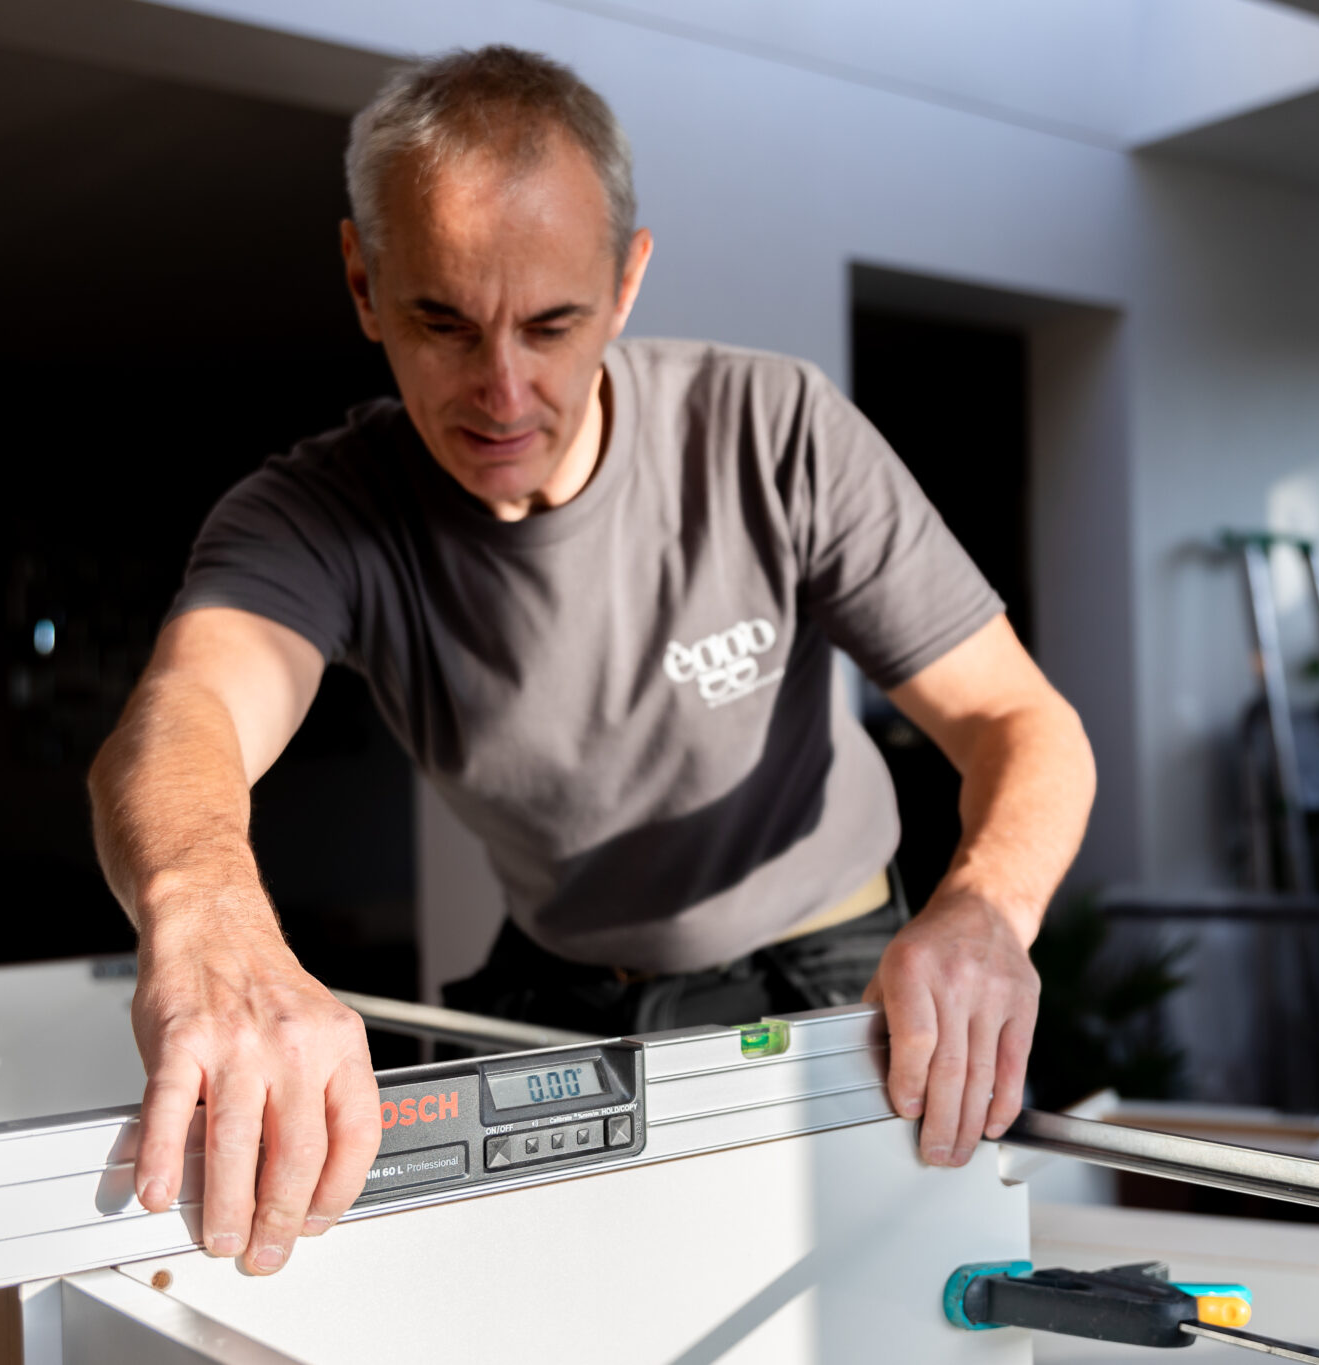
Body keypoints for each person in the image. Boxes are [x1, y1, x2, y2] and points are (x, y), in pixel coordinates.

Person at [88, 45, 1095, 1278]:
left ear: (626, 282)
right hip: (563, 985)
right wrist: (207, 916)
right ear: (362, 282)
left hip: (830, 968)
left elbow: (1016, 718)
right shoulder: (313, 516)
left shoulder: (771, 432)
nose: (501, 392)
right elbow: (190, 706)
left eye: (552, 324)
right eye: (441, 322)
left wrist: (985, 916)